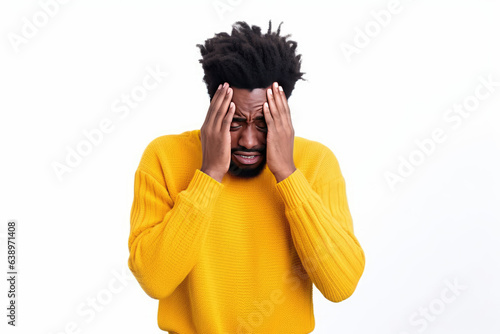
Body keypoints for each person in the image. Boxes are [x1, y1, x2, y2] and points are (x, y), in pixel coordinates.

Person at [127, 20, 365, 334]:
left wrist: (287, 175)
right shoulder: (165, 157)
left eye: (264, 123)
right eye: (236, 122)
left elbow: (341, 285)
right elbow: (155, 280)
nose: (249, 141)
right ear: (214, 108)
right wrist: (209, 174)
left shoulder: (316, 163)